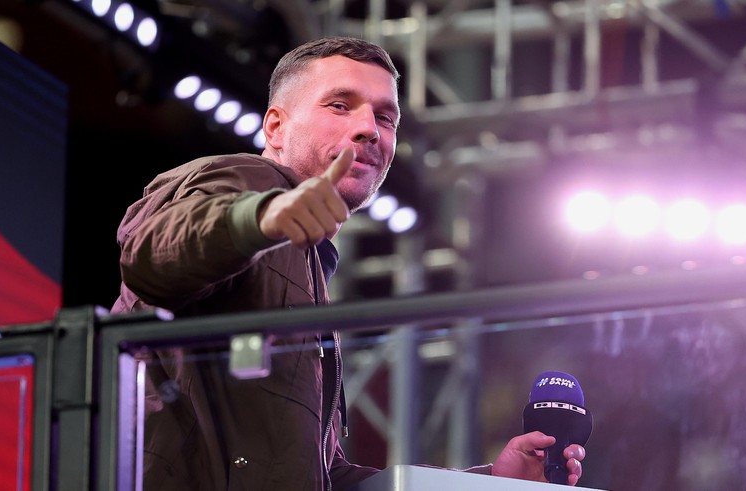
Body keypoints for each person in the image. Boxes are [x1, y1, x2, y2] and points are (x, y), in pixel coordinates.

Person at [111, 36, 585, 490]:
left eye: (386, 117)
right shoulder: (248, 180)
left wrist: (488, 483)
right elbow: (150, 255)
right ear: (275, 126)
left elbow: (325, 480)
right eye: (339, 105)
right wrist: (258, 217)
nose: (369, 129)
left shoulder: (308, 268)